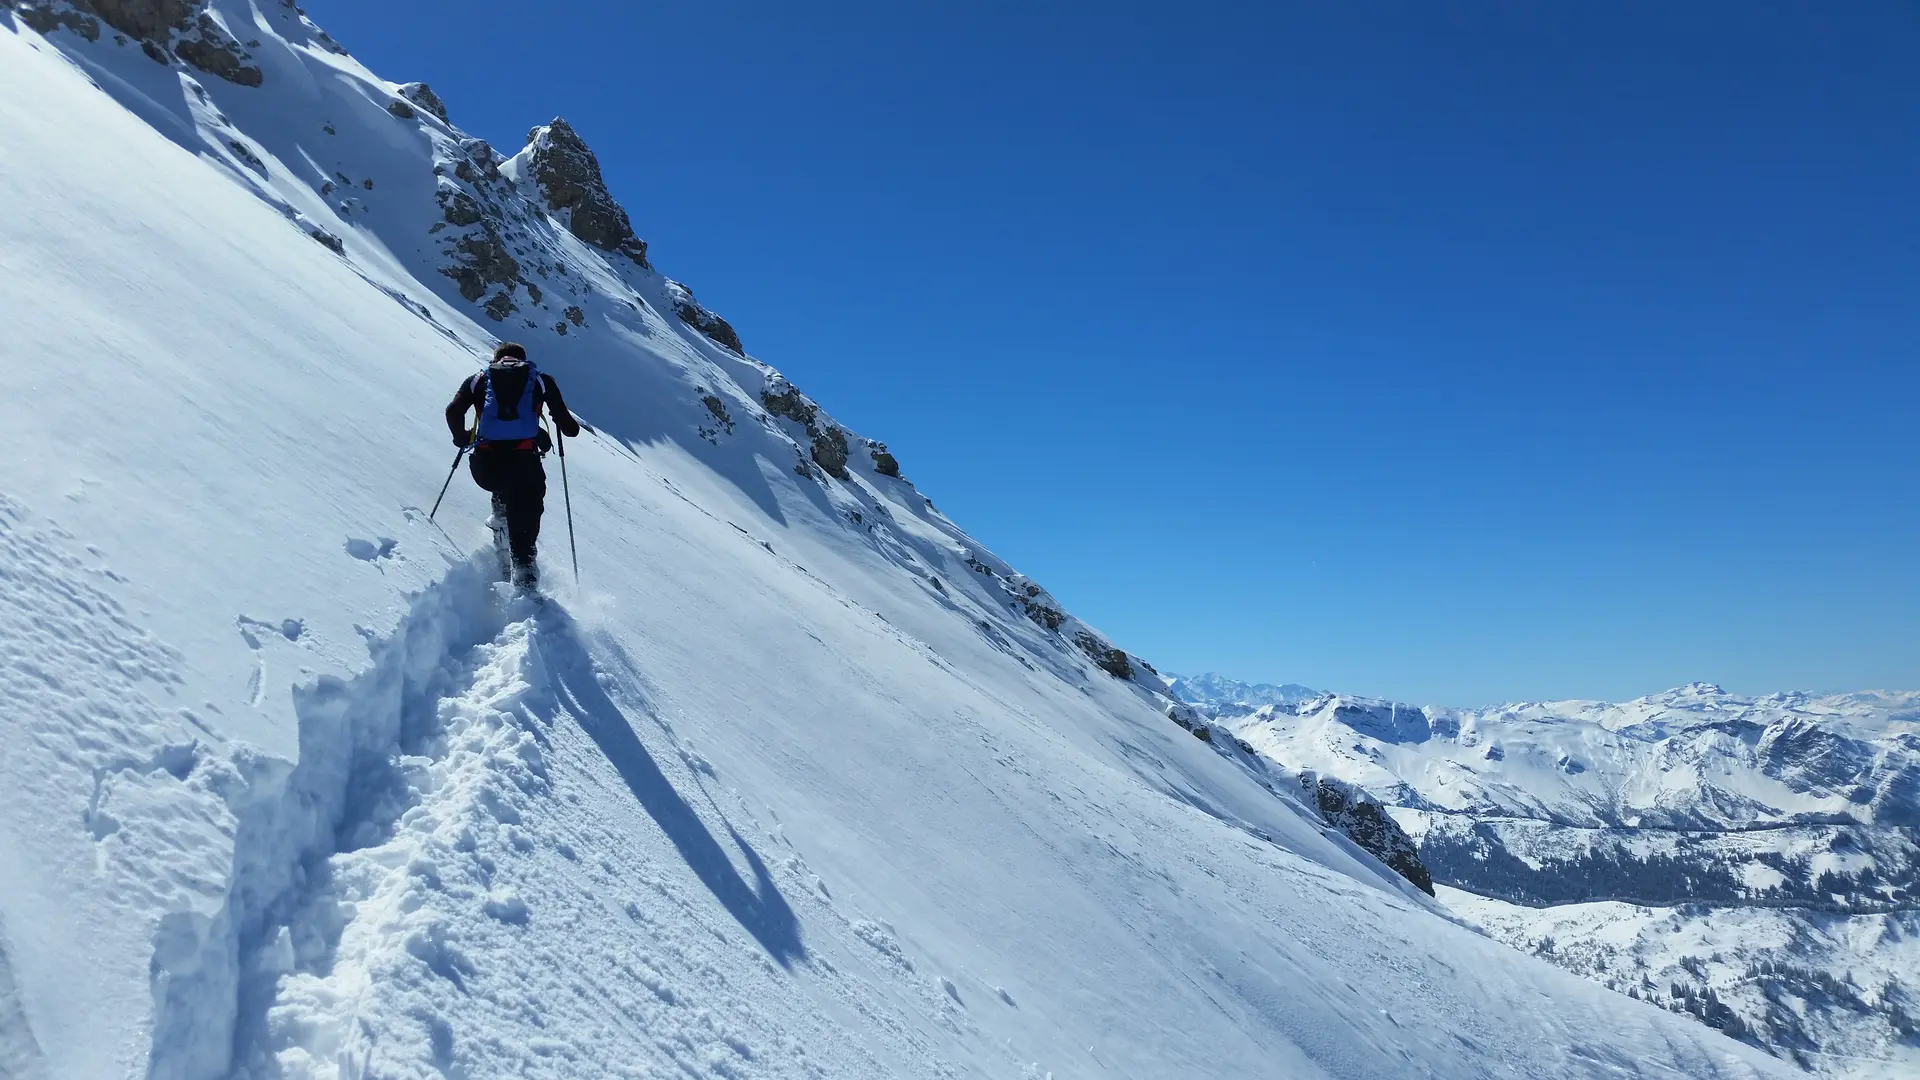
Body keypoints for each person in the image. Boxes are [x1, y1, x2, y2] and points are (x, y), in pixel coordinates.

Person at [445, 342, 580, 586]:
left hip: (485, 468)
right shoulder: (540, 381)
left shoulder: (478, 380)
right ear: (524, 361)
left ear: (496, 359)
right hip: (524, 468)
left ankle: (500, 523)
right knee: (525, 511)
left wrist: (460, 437)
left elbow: (453, 411)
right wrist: (560, 426)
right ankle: (524, 576)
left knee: (502, 487)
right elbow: (570, 430)